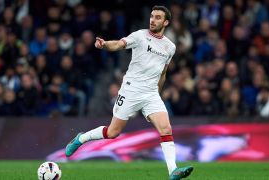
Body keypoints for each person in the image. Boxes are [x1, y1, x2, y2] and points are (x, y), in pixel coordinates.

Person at [65, 6, 193, 180]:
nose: (153, 20)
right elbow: (118, 44)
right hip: (131, 90)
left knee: (166, 128)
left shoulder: (170, 47)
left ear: (166, 22)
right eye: (152, 16)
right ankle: (81, 138)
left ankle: (173, 171)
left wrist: (157, 93)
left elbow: (163, 73)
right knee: (112, 132)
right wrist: (104, 45)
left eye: (157, 17)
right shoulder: (140, 35)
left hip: (151, 93)